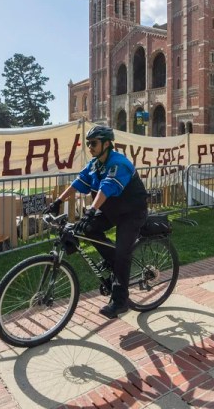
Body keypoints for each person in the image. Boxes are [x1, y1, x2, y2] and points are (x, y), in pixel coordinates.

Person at [46, 125, 148, 319]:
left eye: (94, 143)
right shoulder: (94, 164)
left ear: (107, 144)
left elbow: (107, 188)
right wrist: (58, 201)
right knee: (88, 229)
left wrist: (91, 210)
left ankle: (120, 302)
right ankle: (112, 260)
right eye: (88, 143)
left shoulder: (119, 163)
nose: (90, 147)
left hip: (132, 213)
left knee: (122, 254)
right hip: (113, 211)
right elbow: (78, 182)